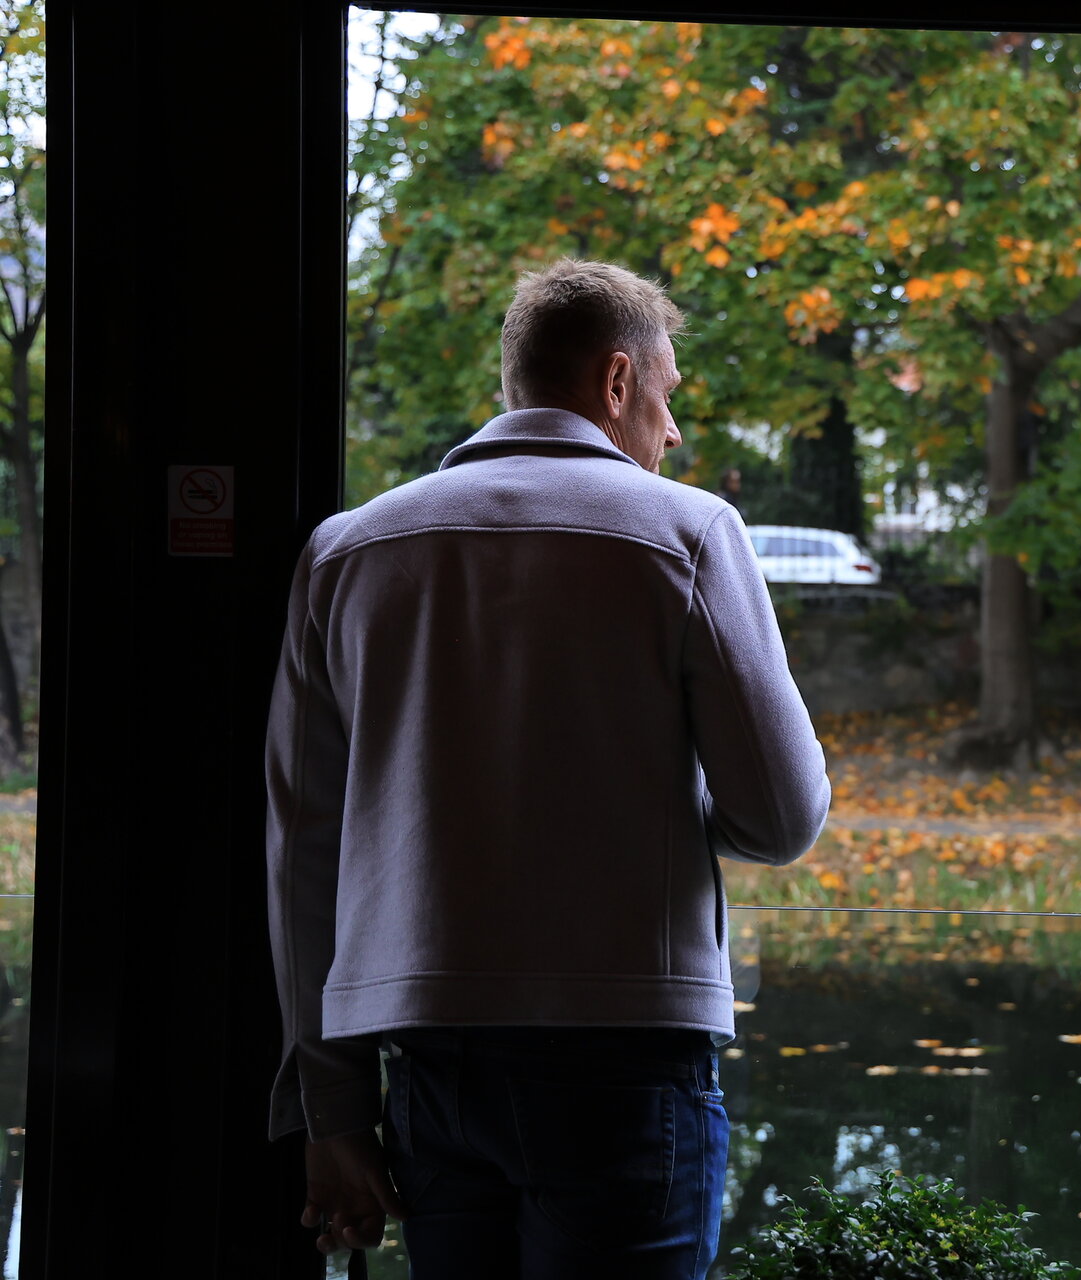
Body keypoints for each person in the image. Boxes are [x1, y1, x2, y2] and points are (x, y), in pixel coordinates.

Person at [265, 258, 831, 1278]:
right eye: (665, 396)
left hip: (426, 1063)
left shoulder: (345, 553)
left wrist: (332, 1110)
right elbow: (784, 818)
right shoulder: (690, 535)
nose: (673, 432)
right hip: (627, 1060)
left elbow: (302, 852)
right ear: (617, 381)